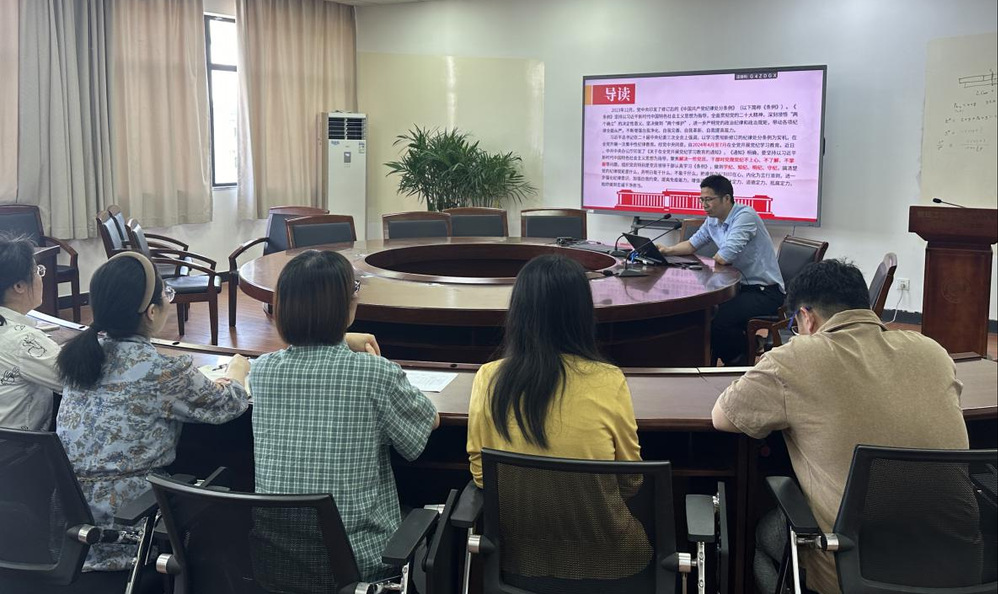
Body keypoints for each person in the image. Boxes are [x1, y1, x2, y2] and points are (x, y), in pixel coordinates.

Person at [711, 259, 969, 594]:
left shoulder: (796, 358)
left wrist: (769, 372)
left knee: (760, 539)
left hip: (855, 570)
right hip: (958, 561)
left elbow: (723, 417)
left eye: (795, 324)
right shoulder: (931, 351)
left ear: (807, 317)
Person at [56, 252, 251, 589]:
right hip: (130, 533)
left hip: (69, 531)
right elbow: (228, 405)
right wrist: (237, 370)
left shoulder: (78, 359)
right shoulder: (162, 371)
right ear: (151, 312)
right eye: (166, 295)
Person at [250, 249, 439, 582]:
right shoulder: (374, 373)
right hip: (356, 563)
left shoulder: (263, 371)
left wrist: (343, 340)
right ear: (348, 305)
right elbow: (427, 423)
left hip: (278, 561)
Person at [466, 254, 646, 582]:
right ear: (582, 313)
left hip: (516, 563)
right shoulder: (609, 379)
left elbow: (482, 477)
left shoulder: (488, 378)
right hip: (609, 562)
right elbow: (631, 480)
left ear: (519, 312)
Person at [658, 174, 783, 365]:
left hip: (764, 292)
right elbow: (692, 244)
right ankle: (712, 357)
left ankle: (739, 363)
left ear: (726, 198)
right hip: (738, 288)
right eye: (702, 200)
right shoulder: (713, 220)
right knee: (703, 311)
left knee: (719, 319)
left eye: (709, 199)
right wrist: (667, 251)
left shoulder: (745, 217)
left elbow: (724, 257)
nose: (704, 205)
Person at [0, 236, 62, 430]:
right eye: (37, 271)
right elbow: (77, 378)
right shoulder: (22, 340)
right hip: (18, 446)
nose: (41, 277)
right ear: (19, 286)